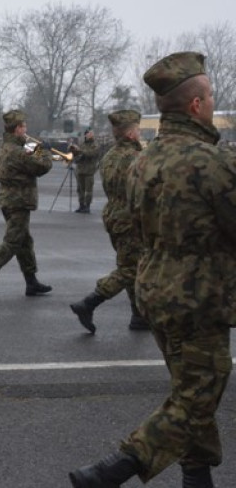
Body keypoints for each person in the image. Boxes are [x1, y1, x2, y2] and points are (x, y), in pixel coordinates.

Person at [69, 52, 235, 488]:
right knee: (197, 399)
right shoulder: (212, 162)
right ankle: (115, 467)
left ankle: (196, 477)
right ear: (196, 105)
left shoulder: (144, 160)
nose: (212, 103)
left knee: (188, 391)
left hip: (155, 290)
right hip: (199, 297)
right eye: (210, 97)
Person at [68, 110, 149, 334]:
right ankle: (89, 303)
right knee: (129, 270)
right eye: (138, 130)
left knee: (130, 265)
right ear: (131, 134)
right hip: (130, 218)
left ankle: (138, 316)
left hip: (113, 215)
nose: (140, 134)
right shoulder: (137, 158)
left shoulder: (110, 155)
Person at [0, 110, 53, 299]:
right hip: (19, 200)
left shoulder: (5, 148)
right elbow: (41, 167)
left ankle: (31, 281)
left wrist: (36, 150)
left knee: (24, 241)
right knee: (13, 242)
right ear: (17, 129)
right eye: (24, 127)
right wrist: (45, 152)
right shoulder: (16, 152)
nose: (26, 130)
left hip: (9, 199)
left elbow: (24, 162)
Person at [70, 128, 100, 213]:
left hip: (89, 170)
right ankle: (81, 205)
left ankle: (87, 206)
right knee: (80, 189)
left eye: (91, 133)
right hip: (80, 169)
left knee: (88, 190)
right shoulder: (82, 144)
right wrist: (74, 151)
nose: (90, 135)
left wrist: (80, 151)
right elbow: (77, 154)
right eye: (89, 133)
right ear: (85, 135)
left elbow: (92, 153)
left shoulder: (95, 144)